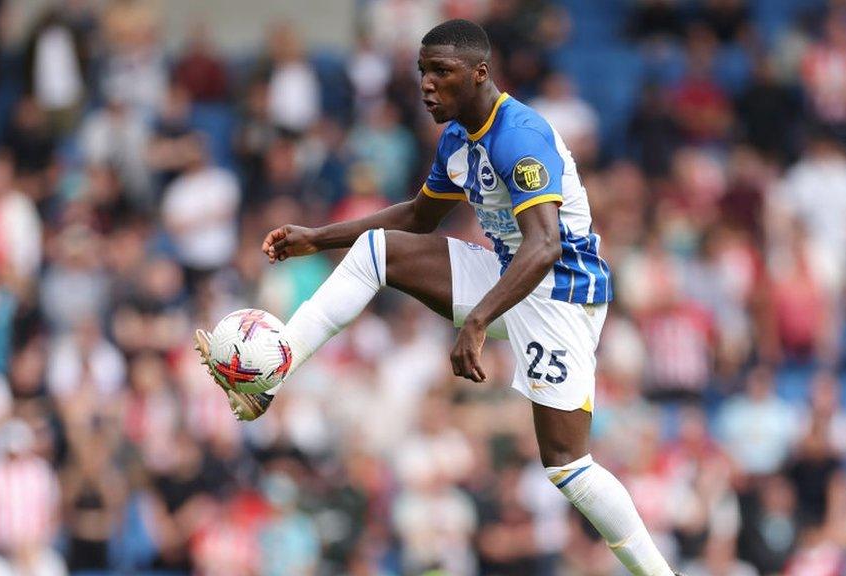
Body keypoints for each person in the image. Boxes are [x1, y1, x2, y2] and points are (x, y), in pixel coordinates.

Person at [194, 19, 677, 576]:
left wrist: (476, 324)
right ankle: (274, 371)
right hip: (507, 273)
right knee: (379, 251)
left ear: (479, 74)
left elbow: (544, 245)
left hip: (560, 290)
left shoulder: (519, 134)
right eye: (423, 71)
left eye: (441, 72)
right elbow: (419, 217)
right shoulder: (456, 138)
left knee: (566, 464)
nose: (427, 85)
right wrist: (317, 237)